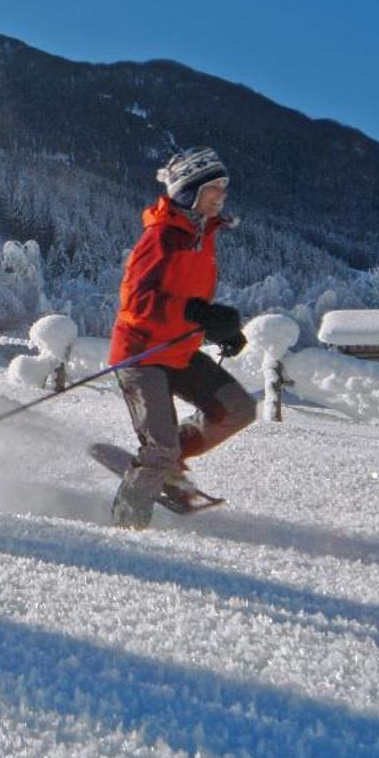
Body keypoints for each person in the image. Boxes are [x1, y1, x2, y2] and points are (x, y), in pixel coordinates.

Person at [107, 146, 256, 529]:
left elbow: (188, 299)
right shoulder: (161, 238)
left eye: (223, 188)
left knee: (237, 408)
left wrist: (218, 328)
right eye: (213, 189)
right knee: (158, 449)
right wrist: (197, 314)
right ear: (189, 192)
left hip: (180, 350)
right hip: (142, 353)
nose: (221, 196)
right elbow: (138, 300)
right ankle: (126, 528)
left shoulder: (201, 236)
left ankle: (167, 465)